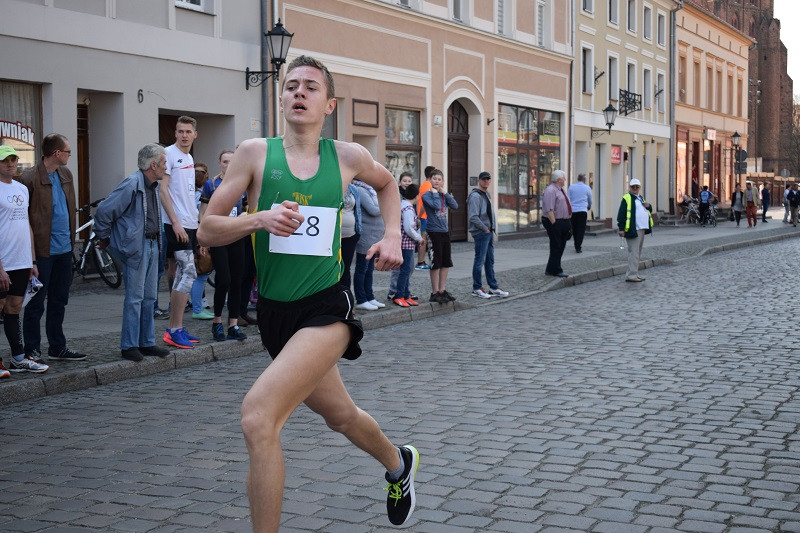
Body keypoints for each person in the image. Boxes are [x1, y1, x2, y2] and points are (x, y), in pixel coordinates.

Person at [196, 55, 418, 531]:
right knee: (341, 416)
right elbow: (208, 231)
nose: (299, 92)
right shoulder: (255, 153)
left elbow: (387, 186)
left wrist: (395, 233)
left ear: (328, 103)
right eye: (291, 85)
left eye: (310, 87)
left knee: (259, 417)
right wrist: (259, 218)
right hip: (276, 313)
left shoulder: (347, 156)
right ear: (280, 98)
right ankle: (398, 463)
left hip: (327, 307)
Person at [93, 144, 172, 362]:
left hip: (152, 244)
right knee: (135, 298)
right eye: (164, 163)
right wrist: (106, 238)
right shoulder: (131, 184)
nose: (166, 167)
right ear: (153, 165)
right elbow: (104, 211)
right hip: (136, 247)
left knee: (149, 297)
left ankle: (146, 342)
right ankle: (129, 346)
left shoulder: (152, 184)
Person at [20, 133, 88, 362]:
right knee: (36, 302)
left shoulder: (65, 174)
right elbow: (23, 219)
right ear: (57, 153)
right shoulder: (29, 178)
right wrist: (30, 258)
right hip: (42, 251)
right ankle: (31, 349)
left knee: (59, 300)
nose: (69, 154)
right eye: (68, 151)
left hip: (64, 248)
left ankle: (57, 346)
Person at [0, 145, 48, 375]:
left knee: (14, 308)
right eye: (5, 160)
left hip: (21, 261)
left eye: (13, 159)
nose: (10, 164)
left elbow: (26, 225)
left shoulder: (21, 188)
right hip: (2, 260)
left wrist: (32, 261)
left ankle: (18, 358)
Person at [160, 116, 201, 349]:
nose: (184, 135)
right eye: (180, 131)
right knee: (189, 273)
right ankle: (173, 329)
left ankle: (178, 326)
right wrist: (175, 223)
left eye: (188, 131)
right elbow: (163, 191)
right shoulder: (169, 154)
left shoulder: (188, 156)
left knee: (184, 274)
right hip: (177, 224)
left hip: (190, 222)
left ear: (195, 134)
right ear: (175, 133)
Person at [198, 149, 247, 341]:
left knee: (237, 280)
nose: (229, 165)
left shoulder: (242, 182)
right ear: (220, 163)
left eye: (232, 161)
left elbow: (246, 207)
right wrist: (203, 237)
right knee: (224, 279)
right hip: (218, 236)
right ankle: (217, 322)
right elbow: (202, 212)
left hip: (237, 235)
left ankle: (233, 324)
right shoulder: (211, 184)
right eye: (225, 161)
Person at [467, 171, 508, 299]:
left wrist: (491, 229)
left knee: (489, 261)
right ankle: (477, 288)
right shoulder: (475, 196)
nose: (486, 181)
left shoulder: (486, 194)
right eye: (484, 179)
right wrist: (485, 228)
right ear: (479, 180)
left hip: (488, 232)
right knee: (479, 260)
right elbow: (473, 216)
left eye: (488, 179)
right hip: (481, 232)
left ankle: (493, 287)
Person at [422, 168, 458, 302]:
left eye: (439, 179)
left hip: (444, 231)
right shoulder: (426, 195)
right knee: (435, 263)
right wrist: (435, 193)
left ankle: (442, 290)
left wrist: (446, 193)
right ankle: (435, 292)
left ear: (442, 181)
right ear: (430, 180)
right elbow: (436, 206)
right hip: (433, 232)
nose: (437, 181)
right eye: (434, 179)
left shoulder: (443, 195)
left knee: (445, 262)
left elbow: (455, 205)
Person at [352, 178, 386, 311]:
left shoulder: (370, 190)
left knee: (370, 269)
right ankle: (361, 299)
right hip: (366, 236)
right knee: (362, 268)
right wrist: (385, 204)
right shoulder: (361, 190)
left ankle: (370, 297)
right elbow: (373, 209)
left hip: (374, 236)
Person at [617, 178, 653, 283]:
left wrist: (649, 206)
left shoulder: (640, 198)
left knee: (637, 253)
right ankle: (631, 275)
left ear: (639, 188)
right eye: (633, 187)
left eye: (637, 187)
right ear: (630, 187)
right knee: (634, 253)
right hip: (633, 229)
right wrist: (621, 228)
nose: (635, 189)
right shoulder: (627, 198)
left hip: (641, 228)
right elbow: (621, 214)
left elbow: (647, 209)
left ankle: (634, 273)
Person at [190, 163, 214, 321]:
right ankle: (197, 308)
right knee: (201, 273)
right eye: (196, 172)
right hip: (197, 233)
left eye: (202, 172)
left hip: (198, 232)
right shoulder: (194, 193)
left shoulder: (197, 190)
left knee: (201, 273)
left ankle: (198, 305)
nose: (199, 174)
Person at [393, 184, 422, 307]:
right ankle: (399, 295)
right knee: (405, 270)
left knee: (407, 269)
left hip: (405, 243)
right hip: (406, 243)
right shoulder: (408, 209)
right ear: (417, 195)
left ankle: (406, 294)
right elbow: (409, 228)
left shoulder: (404, 205)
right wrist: (419, 238)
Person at [541, 170, 571, 278]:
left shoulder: (561, 190)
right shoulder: (551, 190)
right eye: (564, 178)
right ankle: (556, 270)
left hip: (564, 221)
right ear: (559, 180)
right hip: (555, 221)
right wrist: (555, 224)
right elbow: (549, 209)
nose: (565, 180)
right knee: (556, 246)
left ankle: (550, 268)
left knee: (560, 246)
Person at [339, 182, 360, 292]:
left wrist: (358, 230)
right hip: (334, 235)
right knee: (333, 268)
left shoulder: (353, 189)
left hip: (351, 234)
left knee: (346, 268)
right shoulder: (333, 185)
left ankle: (346, 299)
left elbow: (357, 210)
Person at [415, 166, 435, 270]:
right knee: (423, 240)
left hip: (423, 216)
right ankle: (420, 262)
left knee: (423, 240)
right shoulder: (428, 186)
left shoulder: (424, 185)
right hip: (424, 217)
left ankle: (421, 261)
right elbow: (426, 203)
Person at [567, 173, 592, 253]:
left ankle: (575, 243)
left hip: (573, 211)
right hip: (582, 211)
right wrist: (589, 206)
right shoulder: (587, 188)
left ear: (577, 179)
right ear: (584, 180)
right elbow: (590, 199)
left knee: (574, 228)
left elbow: (568, 199)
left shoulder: (571, 187)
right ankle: (578, 246)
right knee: (581, 229)